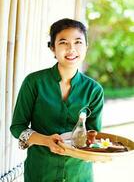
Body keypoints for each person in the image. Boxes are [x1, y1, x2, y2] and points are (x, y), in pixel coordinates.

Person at [10, 18, 104, 182]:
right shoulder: (34, 82)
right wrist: (46, 141)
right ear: (53, 48)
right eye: (63, 42)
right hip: (40, 172)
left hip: (79, 174)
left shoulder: (94, 90)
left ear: (86, 47)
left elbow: (93, 135)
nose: (71, 49)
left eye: (78, 42)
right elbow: (18, 127)